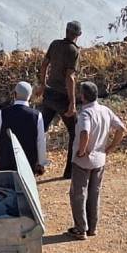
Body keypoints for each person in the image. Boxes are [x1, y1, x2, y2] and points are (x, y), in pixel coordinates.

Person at [67, 81, 126, 240]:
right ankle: (92, 227)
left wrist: (82, 150)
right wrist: (111, 147)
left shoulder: (86, 114)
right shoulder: (105, 110)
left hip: (84, 160)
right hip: (100, 159)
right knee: (94, 193)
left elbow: (84, 133)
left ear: (83, 96)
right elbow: (121, 128)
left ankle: (80, 228)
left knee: (78, 194)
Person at [37, 21, 82, 179]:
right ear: (78, 35)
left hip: (49, 93)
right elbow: (70, 77)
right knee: (75, 132)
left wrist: (42, 84)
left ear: (66, 31)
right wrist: (72, 102)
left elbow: (44, 65)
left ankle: (34, 164)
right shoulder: (73, 51)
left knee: (40, 129)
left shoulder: (54, 44)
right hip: (62, 97)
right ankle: (69, 171)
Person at [0, 81, 48, 175]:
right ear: (29, 96)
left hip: (6, 163)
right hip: (28, 164)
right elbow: (40, 142)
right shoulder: (36, 115)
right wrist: (41, 163)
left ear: (14, 94)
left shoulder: (3, 113)